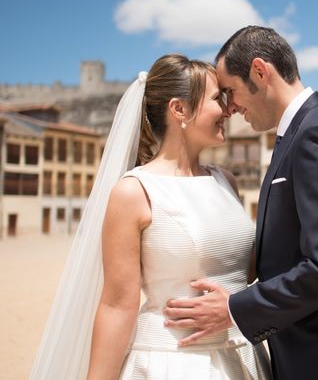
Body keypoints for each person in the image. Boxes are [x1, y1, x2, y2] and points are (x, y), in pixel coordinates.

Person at [163, 27, 318, 379]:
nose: (231, 107)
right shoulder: (300, 134)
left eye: (230, 91)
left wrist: (233, 309)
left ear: (260, 72)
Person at [30, 54, 271, 380]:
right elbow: (117, 305)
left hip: (244, 358)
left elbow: (244, 269)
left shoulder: (225, 181)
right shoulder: (133, 192)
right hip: (174, 363)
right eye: (217, 99)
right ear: (179, 110)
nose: (228, 110)